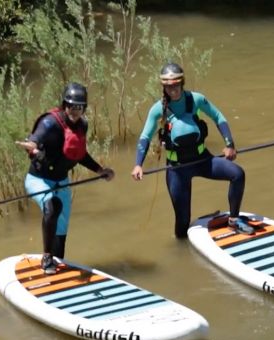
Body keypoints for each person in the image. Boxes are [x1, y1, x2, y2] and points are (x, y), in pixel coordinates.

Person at [131, 62, 254, 239]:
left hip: (203, 161)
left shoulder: (196, 99)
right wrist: (138, 165)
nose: (172, 90)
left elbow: (218, 116)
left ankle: (234, 220)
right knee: (182, 223)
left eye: (176, 85)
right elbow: (145, 136)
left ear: (182, 83)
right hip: (177, 169)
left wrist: (229, 144)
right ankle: (181, 251)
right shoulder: (158, 109)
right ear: (163, 87)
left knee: (238, 174)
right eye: (168, 86)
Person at [16, 82, 114, 274]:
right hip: (39, 180)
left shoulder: (82, 125)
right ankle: (46, 257)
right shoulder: (50, 123)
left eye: (79, 107)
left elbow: (80, 154)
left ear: (84, 108)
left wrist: (100, 170)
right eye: (71, 106)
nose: (75, 111)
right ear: (64, 104)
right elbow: (34, 139)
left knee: (60, 237)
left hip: (62, 182)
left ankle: (57, 265)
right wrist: (33, 149)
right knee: (53, 207)